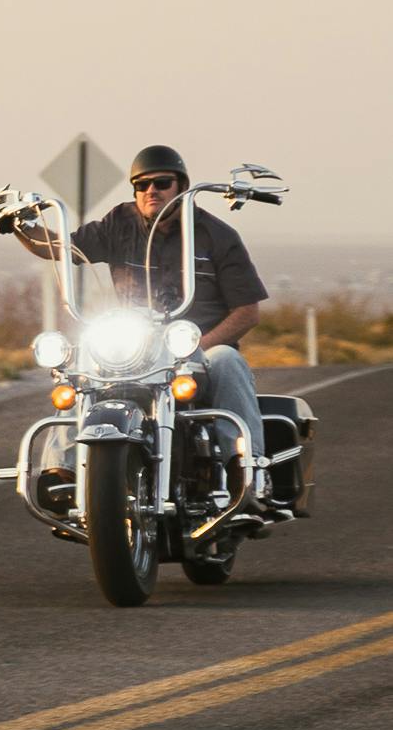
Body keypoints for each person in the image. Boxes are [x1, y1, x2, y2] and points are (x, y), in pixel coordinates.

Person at [16, 144, 271, 488]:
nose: (151, 190)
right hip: (138, 349)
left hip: (198, 352)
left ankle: (246, 470)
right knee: (83, 366)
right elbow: (64, 248)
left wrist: (196, 347)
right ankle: (60, 470)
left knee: (227, 360)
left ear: (181, 186)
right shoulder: (118, 223)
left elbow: (247, 312)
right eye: (141, 184)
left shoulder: (217, 236)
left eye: (162, 182)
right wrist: (19, 227)